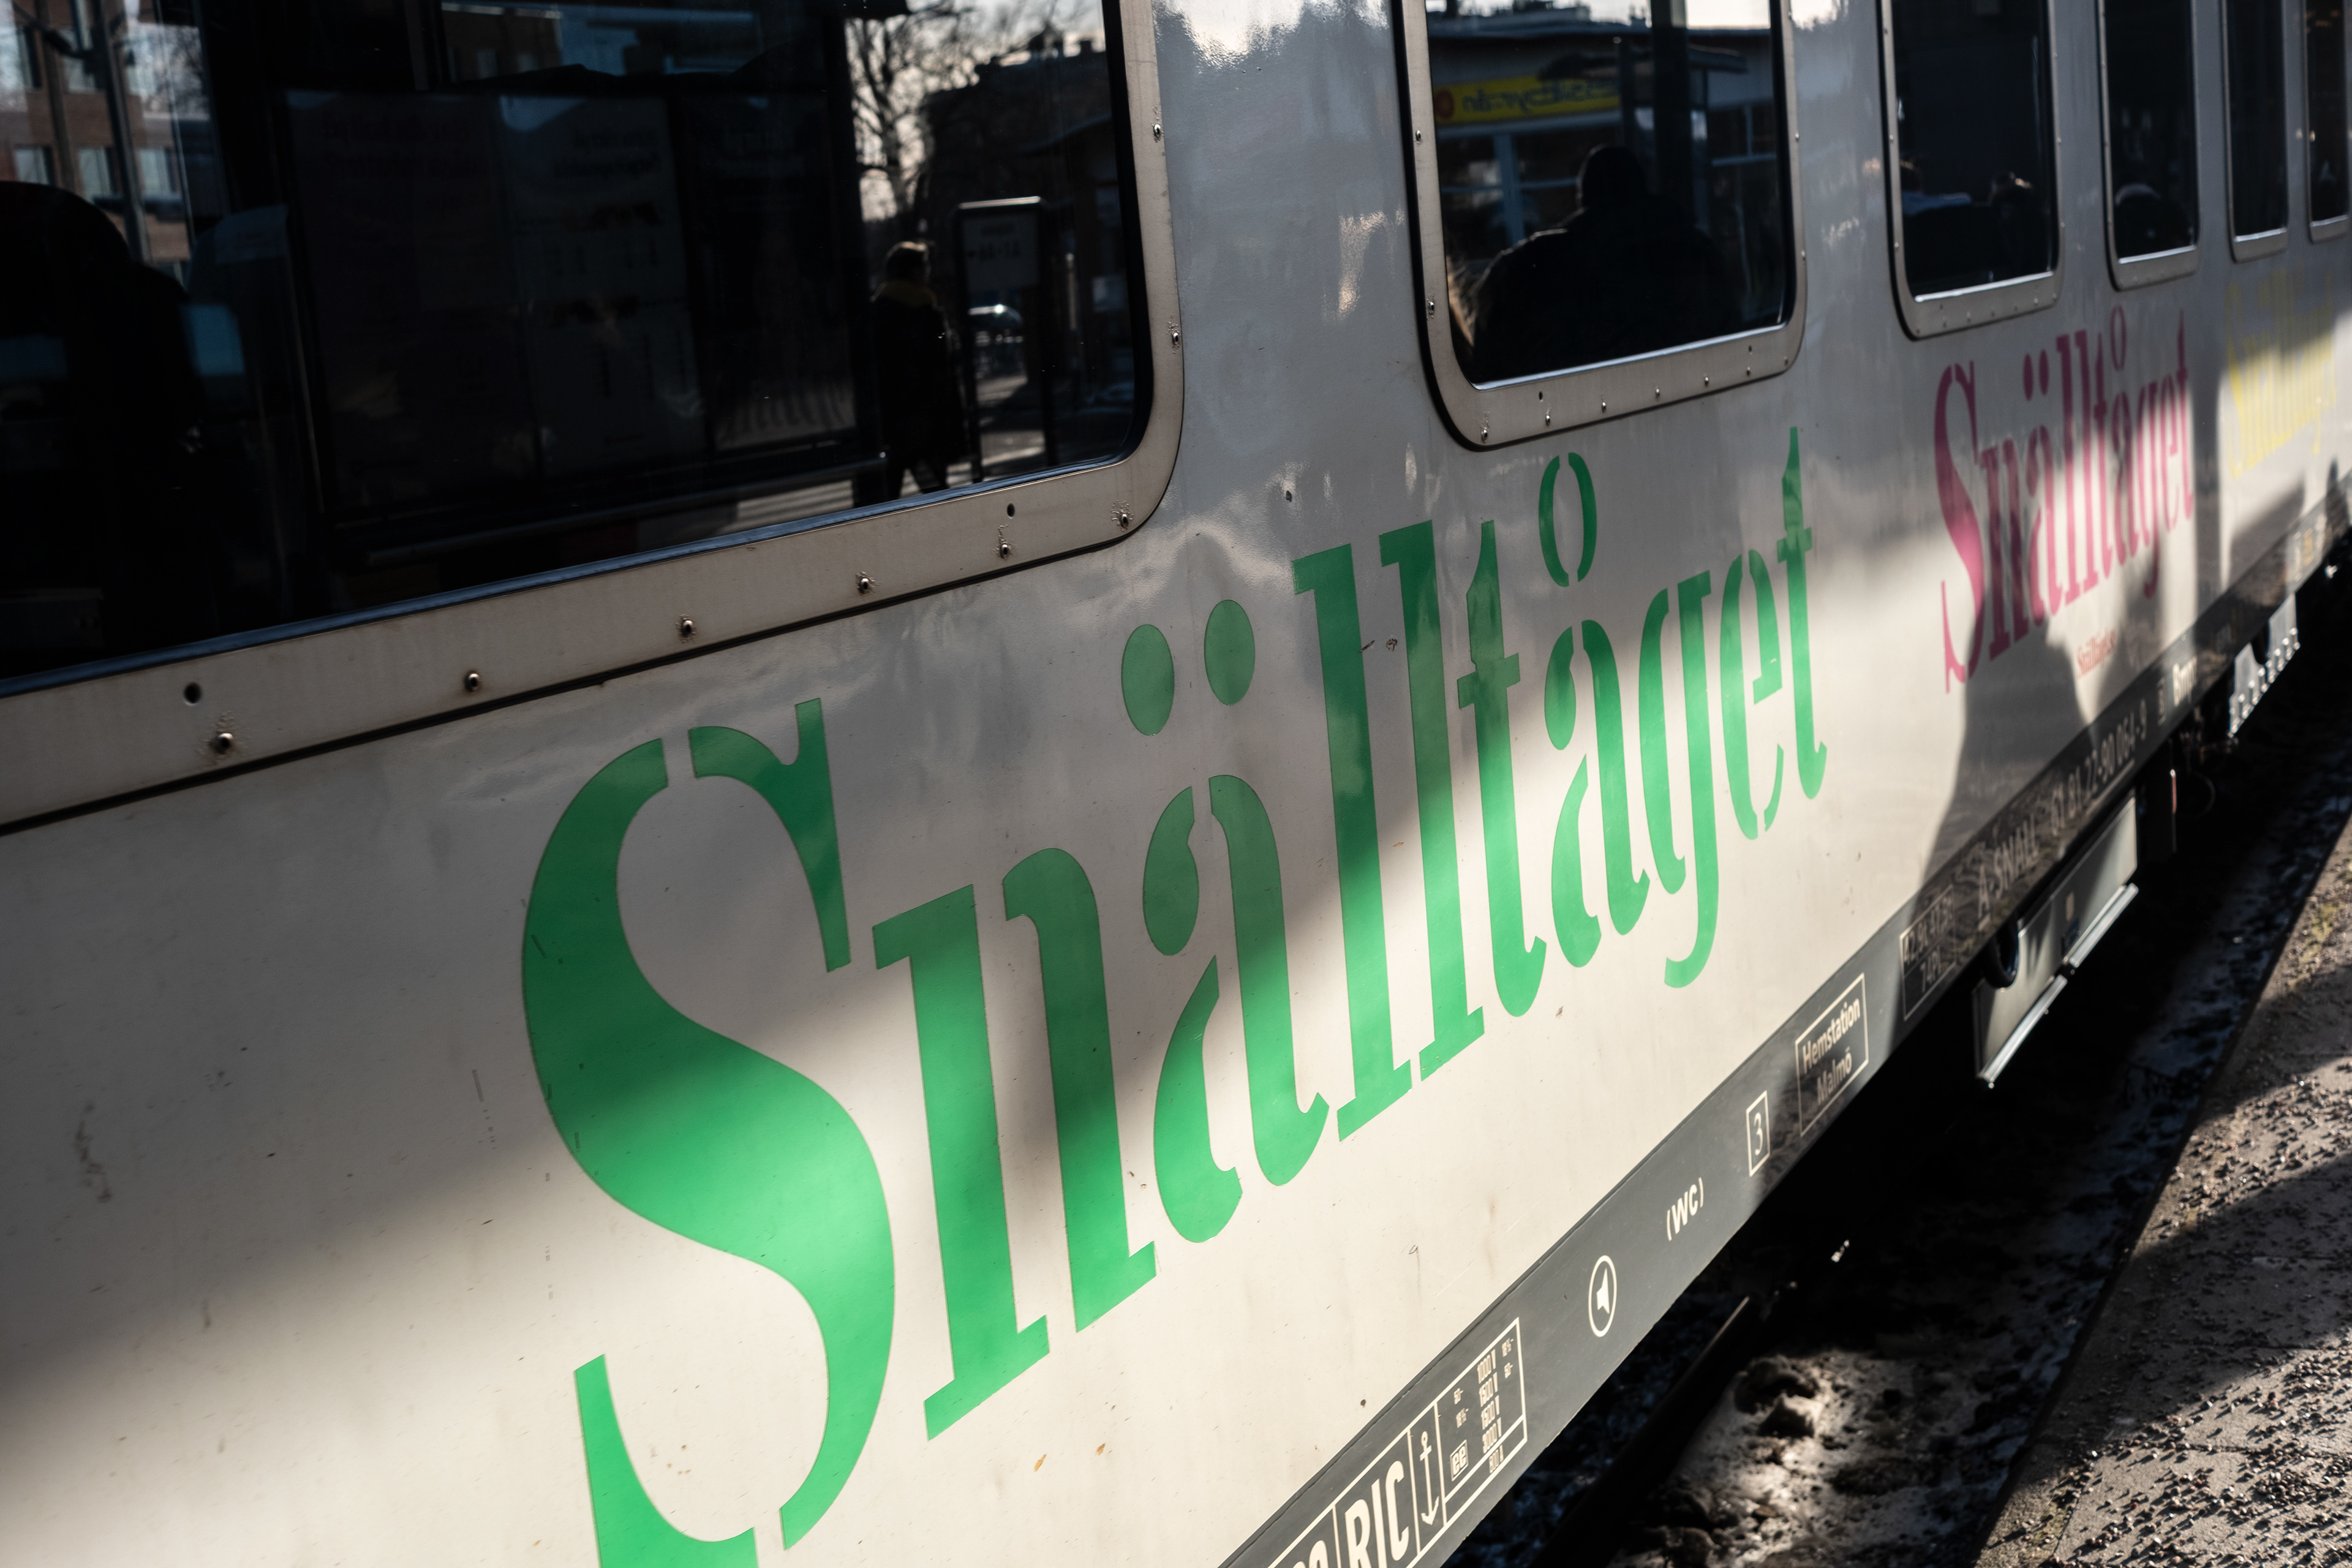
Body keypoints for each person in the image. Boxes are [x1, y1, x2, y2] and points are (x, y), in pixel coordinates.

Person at [1465, 144, 1735, 383]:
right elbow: (1730, 340)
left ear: (1583, 200)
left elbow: (1489, 369)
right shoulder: (1697, 253)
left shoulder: (1528, 268)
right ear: (1642, 189)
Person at [867, 240, 967, 498]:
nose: (928, 274)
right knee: (936, 499)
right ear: (915, 272)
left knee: (883, 505)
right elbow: (942, 377)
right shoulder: (926, 312)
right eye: (925, 268)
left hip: (888, 429)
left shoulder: (875, 313)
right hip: (924, 431)